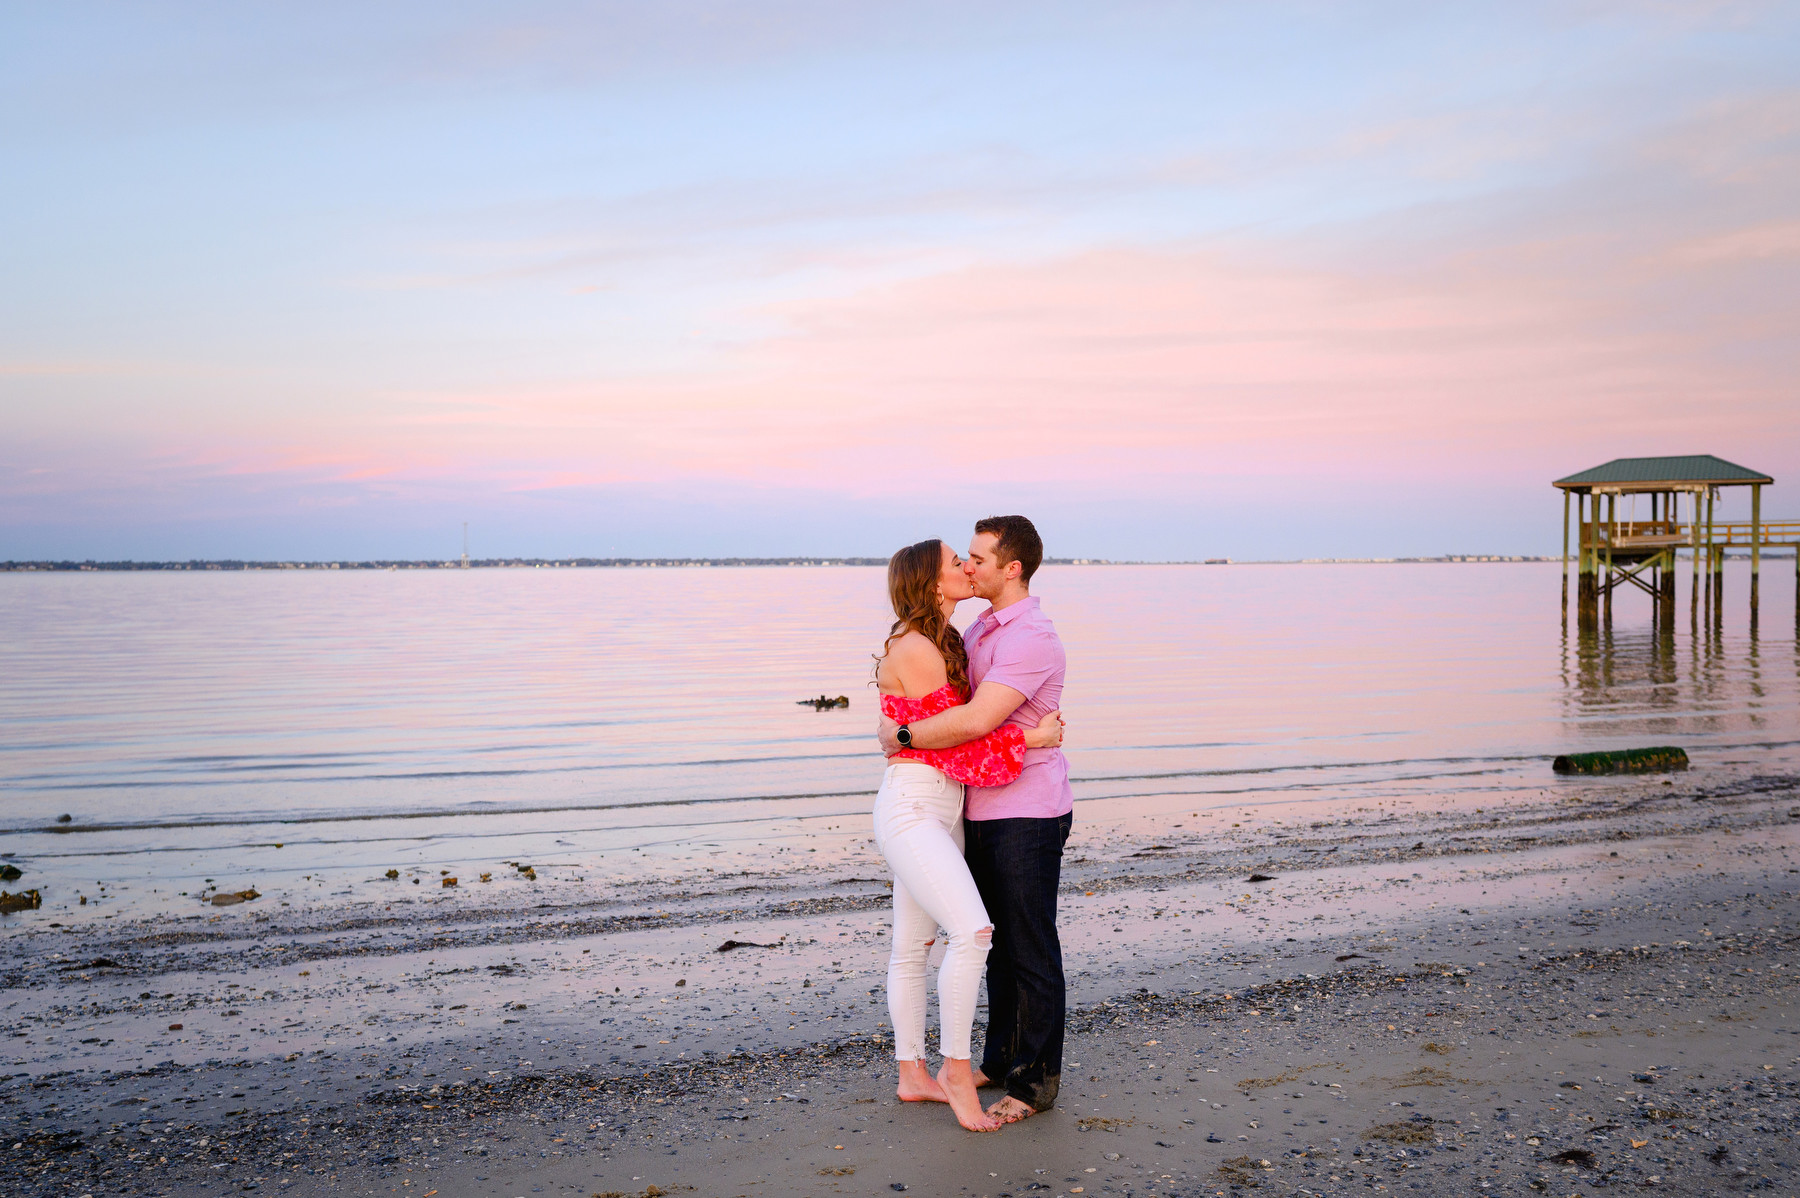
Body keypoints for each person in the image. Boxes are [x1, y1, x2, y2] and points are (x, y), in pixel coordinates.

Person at [880, 515, 1071, 1125]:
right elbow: (956, 731)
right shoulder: (961, 634)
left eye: (976, 558)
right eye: (958, 560)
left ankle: (1029, 1079)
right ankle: (983, 1059)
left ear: (1009, 567)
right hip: (955, 805)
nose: (968, 566)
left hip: (1021, 808)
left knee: (1019, 944)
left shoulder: (1024, 636)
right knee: (978, 944)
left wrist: (903, 733)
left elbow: (972, 726)